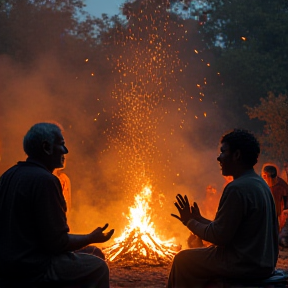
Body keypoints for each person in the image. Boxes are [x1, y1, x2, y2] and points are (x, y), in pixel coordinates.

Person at [0, 122, 114, 288]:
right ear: (46, 147)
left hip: (8, 263)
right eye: (61, 145)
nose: (66, 151)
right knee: (98, 268)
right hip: (32, 267)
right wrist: (91, 237)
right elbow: (57, 243)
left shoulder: (8, 175)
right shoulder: (45, 181)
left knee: (94, 253)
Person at [168, 129, 278, 288]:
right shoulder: (260, 184)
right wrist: (199, 219)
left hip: (243, 264)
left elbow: (219, 237)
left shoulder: (236, 188)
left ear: (237, 155)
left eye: (223, 152)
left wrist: (189, 222)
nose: (219, 158)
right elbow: (228, 229)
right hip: (264, 264)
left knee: (182, 259)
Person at [261, 164, 288, 229]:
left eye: (265, 176)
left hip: (275, 216)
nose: (263, 178)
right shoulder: (261, 184)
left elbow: (286, 202)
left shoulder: (282, 186)